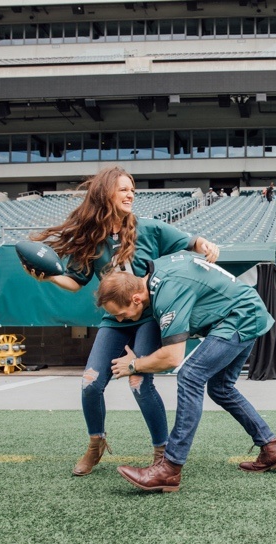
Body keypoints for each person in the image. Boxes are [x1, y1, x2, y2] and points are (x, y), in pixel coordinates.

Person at [25, 166, 220, 477]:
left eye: (133, 189)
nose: (131, 194)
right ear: (105, 194)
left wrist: (205, 244)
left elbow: (191, 242)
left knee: (139, 381)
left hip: (148, 318)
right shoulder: (90, 237)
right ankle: (95, 444)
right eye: (123, 189)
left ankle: (162, 451)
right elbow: (76, 281)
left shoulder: (150, 228)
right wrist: (49, 277)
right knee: (90, 383)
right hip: (114, 320)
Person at [98, 255, 276, 493]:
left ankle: (169, 468)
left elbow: (172, 357)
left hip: (239, 317)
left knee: (190, 376)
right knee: (221, 388)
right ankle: (271, 448)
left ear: (136, 298)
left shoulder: (167, 292)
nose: (119, 319)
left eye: (120, 313)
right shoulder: (159, 270)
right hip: (247, 310)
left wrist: (133, 365)